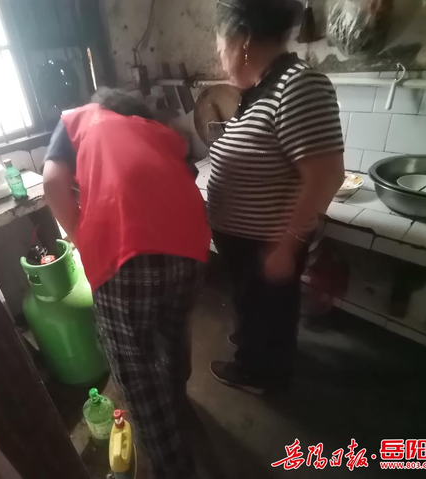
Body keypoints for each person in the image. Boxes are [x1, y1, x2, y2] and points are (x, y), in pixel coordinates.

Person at [42, 88, 211, 479]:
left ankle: (175, 468)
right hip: (192, 248)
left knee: (136, 372)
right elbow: (185, 179)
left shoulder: (81, 117)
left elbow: (52, 183)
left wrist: (82, 236)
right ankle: (176, 405)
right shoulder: (156, 131)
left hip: (129, 258)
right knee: (171, 335)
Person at [208, 0, 345, 394]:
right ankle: (260, 347)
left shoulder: (298, 85)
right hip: (248, 241)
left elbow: (327, 175)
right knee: (261, 308)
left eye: (220, 46)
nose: (220, 58)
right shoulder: (260, 88)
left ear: (242, 39)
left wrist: (287, 245)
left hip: (268, 241)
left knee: (270, 308)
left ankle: (259, 375)